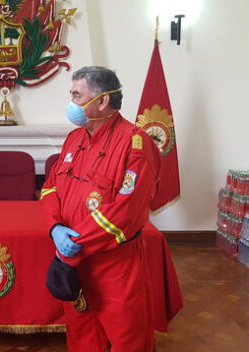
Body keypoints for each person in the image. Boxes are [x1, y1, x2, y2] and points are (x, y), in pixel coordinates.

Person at [40, 66, 161, 352]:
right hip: (73, 262)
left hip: (114, 264)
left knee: (128, 337)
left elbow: (126, 212)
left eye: (76, 95)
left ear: (103, 100)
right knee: (82, 334)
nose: (71, 102)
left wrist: (76, 242)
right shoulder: (74, 139)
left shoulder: (135, 143)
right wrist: (56, 229)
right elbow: (49, 188)